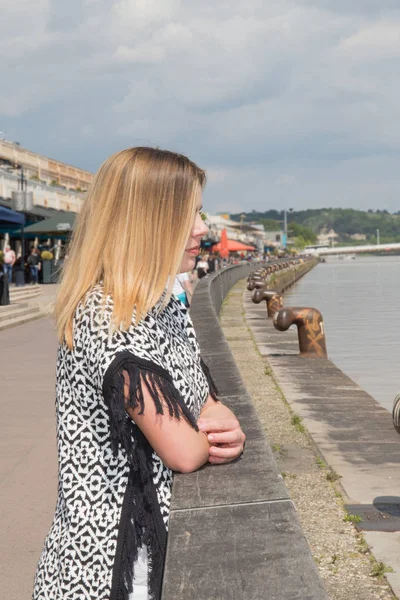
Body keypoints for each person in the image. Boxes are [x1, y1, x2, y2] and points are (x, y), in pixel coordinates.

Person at [33, 147, 245, 600]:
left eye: (199, 214)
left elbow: (207, 402)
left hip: (147, 557)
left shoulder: (163, 305)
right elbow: (183, 449)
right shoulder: (103, 316)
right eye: (188, 216)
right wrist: (211, 432)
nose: (202, 230)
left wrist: (226, 430)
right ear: (147, 221)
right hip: (107, 568)